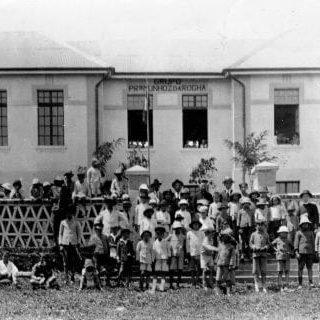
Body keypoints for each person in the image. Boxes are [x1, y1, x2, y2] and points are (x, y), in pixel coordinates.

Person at [59, 205, 82, 284]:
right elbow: (60, 234)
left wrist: (78, 242)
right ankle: (66, 278)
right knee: (65, 261)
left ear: (72, 213)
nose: (68, 215)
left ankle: (72, 277)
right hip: (65, 243)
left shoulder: (76, 222)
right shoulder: (63, 222)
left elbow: (79, 233)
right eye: (67, 213)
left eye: (70, 213)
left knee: (72, 261)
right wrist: (60, 243)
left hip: (73, 243)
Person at [294, 216, 315, 289]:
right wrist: (296, 252)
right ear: (301, 225)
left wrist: (313, 252)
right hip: (301, 253)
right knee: (300, 268)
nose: (305, 225)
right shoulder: (298, 233)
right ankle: (300, 284)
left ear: (308, 224)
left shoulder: (311, 233)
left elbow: (313, 242)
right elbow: (296, 243)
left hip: (309, 252)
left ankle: (311, 282)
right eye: (304, 224)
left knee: (310, 268)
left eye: (306, 224)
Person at [250, 217, 270, 293]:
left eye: (261, 224)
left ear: (264, 225)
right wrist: (254, 247)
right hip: (256, 254)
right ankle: (256, 285)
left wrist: (265, 247)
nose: (260, 226)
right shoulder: (253, 234)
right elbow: (250, 243)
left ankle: (264, 285)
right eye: (258, 224)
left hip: (263, 254)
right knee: (255, 270)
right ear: (256, 225)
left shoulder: (266, 234)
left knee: (263, 270)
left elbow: (268, 243)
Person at [215, 228, 237, 295]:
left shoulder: (231, 247)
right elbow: (218, 254)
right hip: (219, 264)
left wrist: (231, 264)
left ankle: (228, 291)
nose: (224, 238)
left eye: (226, 236)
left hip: (226, 265)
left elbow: (232, 257)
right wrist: (216, 261)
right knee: (218, 278)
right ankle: (218, 291)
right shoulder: (221, 245)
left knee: (227, 278)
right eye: (223, 236)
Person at [151, 225, 171, 293]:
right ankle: (153, 287)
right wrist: (153, 260)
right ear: (156, 234)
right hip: (157, 260)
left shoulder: (166, 242)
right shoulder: (154, 243)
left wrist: (168, 258)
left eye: (161, 234)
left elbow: (168, 251)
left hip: (164, 259)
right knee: (155, 274)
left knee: (163, 274)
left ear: (163, 234)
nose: (160, 235)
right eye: (158, 234)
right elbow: (153, 252)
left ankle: (162, 287)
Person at [272, 226, 291, 292]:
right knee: (279, 271)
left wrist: (290, 252)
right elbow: (272, 244)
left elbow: (292, 246)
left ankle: (286, 285)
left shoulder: (288, 240)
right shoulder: (277, 239)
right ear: (279, 233)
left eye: (285, 233)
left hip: (287, 257)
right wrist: (276, 249)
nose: (283, 234)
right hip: (279, 257)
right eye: (282, 233)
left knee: (287, 271)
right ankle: (280, 286)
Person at [168, 221, 186, 289]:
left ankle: (178, 283)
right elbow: (165, 241)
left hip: (180, 253)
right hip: (173, 254)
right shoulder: (171, 235)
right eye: (176, 229)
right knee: (172, 269)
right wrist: (169, 247)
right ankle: (171, 283)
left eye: (178, 228)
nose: (177, 230)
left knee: (180, 268)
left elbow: (183, 242)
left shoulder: (182, 235)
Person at [186, 217, 203, 288]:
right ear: (192, 225)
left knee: (199, 268)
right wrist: (188, 251)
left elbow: (204, 242)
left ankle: (197, 281)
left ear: (199, 225)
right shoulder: (189, 233)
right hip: (192, 253)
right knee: (192, 268)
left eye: (197, 225)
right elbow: (187, 243)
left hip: (199, 252)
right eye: (194, 224)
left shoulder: (202, 233)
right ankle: (193, 281)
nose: (195, 226)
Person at [200, 225, 218, 291]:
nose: (213, 234)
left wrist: (212, 253)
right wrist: (217, 249)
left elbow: (211, 248)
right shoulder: (205, 239)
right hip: (204, 256)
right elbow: (208, 247)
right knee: (204, 270)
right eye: (212, 233)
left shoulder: (212, 239)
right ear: (208, 233)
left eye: (213, 233)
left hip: (209, 256)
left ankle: (211, 283)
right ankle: (204, 284)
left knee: (211, 269)